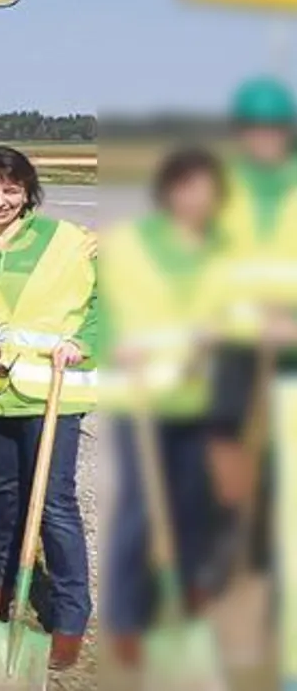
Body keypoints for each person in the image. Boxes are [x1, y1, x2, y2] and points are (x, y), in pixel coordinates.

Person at [0, 146, 98, 670]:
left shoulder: (68, 240)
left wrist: (85, 341)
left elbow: (107, 300)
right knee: (4, 497)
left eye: (11, 190)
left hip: (52, 393)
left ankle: (70, 616)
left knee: (55, 505)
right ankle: (3, 593)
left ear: (27, 193)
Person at [100, 148, 226, 668]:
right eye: (186, 188)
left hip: (194, 398)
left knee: (193, 508)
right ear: (169, 191)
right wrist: (117, 344)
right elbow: (104, 305)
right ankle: (127, 618)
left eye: (206, 191)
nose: (195, 201)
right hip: (140, 398)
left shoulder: (217, 250)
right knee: (139, 511)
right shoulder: (131, 244)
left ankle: (186, 605)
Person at [202, 76, 295, 567]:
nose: (263, 138)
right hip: (233, 340)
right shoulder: (224, 189)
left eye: (272, 128)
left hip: (290, 344)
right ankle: (234, 536)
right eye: (253, 128)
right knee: (226, 441)